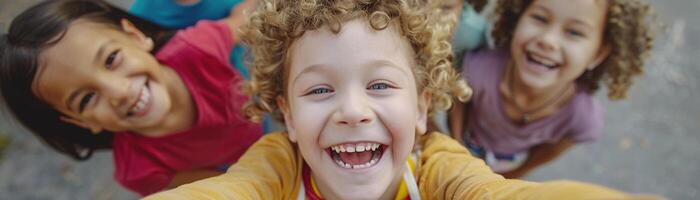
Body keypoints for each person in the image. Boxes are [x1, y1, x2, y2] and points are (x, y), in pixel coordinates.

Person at [145, 0, 658, 199]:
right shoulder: (274, 169)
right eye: (320, 89)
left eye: (381, 85)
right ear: (288, 116)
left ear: (421, 108)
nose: (352, 110)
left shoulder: (441, 169)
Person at [0, 0, 262, 195]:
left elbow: (245, 18)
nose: (119, 92)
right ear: (81, 122)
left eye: (111, 59)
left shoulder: (196, 47)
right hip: (251, 161)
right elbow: (226, 188)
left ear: (135, 36)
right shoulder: (140, 170)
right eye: (86, 99)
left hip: (261, 108)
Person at [448, 0, 654, 178]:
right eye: (540, 18)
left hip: (507, 164)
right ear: (518, 18)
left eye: (574, 32)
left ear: (598, 54)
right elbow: (458, 102)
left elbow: (553, 150)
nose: (547, 41)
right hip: (467, 144)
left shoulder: (581, 116)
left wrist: (515, 173)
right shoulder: (478, 68)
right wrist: (457, 147)